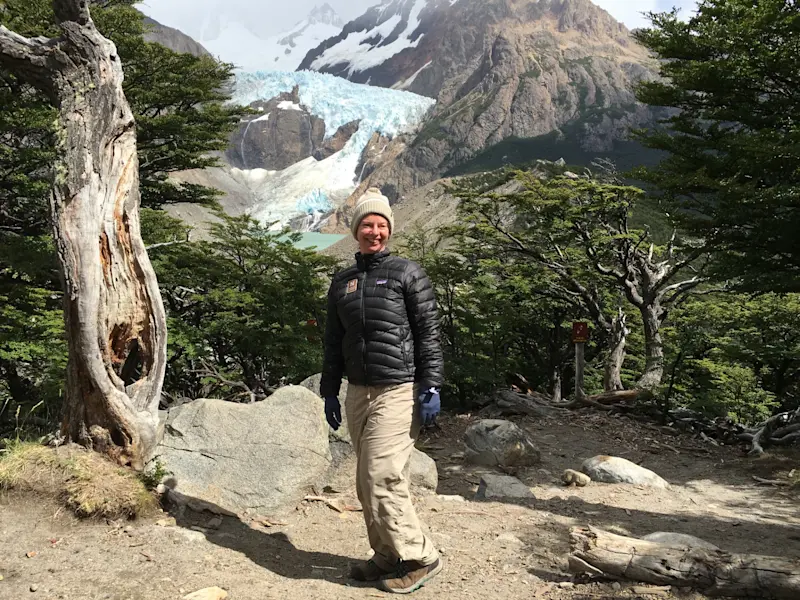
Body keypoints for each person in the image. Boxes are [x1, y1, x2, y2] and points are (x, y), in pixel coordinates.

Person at [320, 187, 444, 594]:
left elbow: (428, 333)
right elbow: (333, 339)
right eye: (367, 225)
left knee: (382, 475)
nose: (374, 232)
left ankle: (420, 556)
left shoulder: (407, 273)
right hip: (359, 390)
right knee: (364, 479)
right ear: (356, 230)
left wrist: (431, 386)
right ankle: (387, 555)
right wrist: (329, 390)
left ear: (389, 229)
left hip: (398, 388)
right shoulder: (343, 282)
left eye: (381, 225)